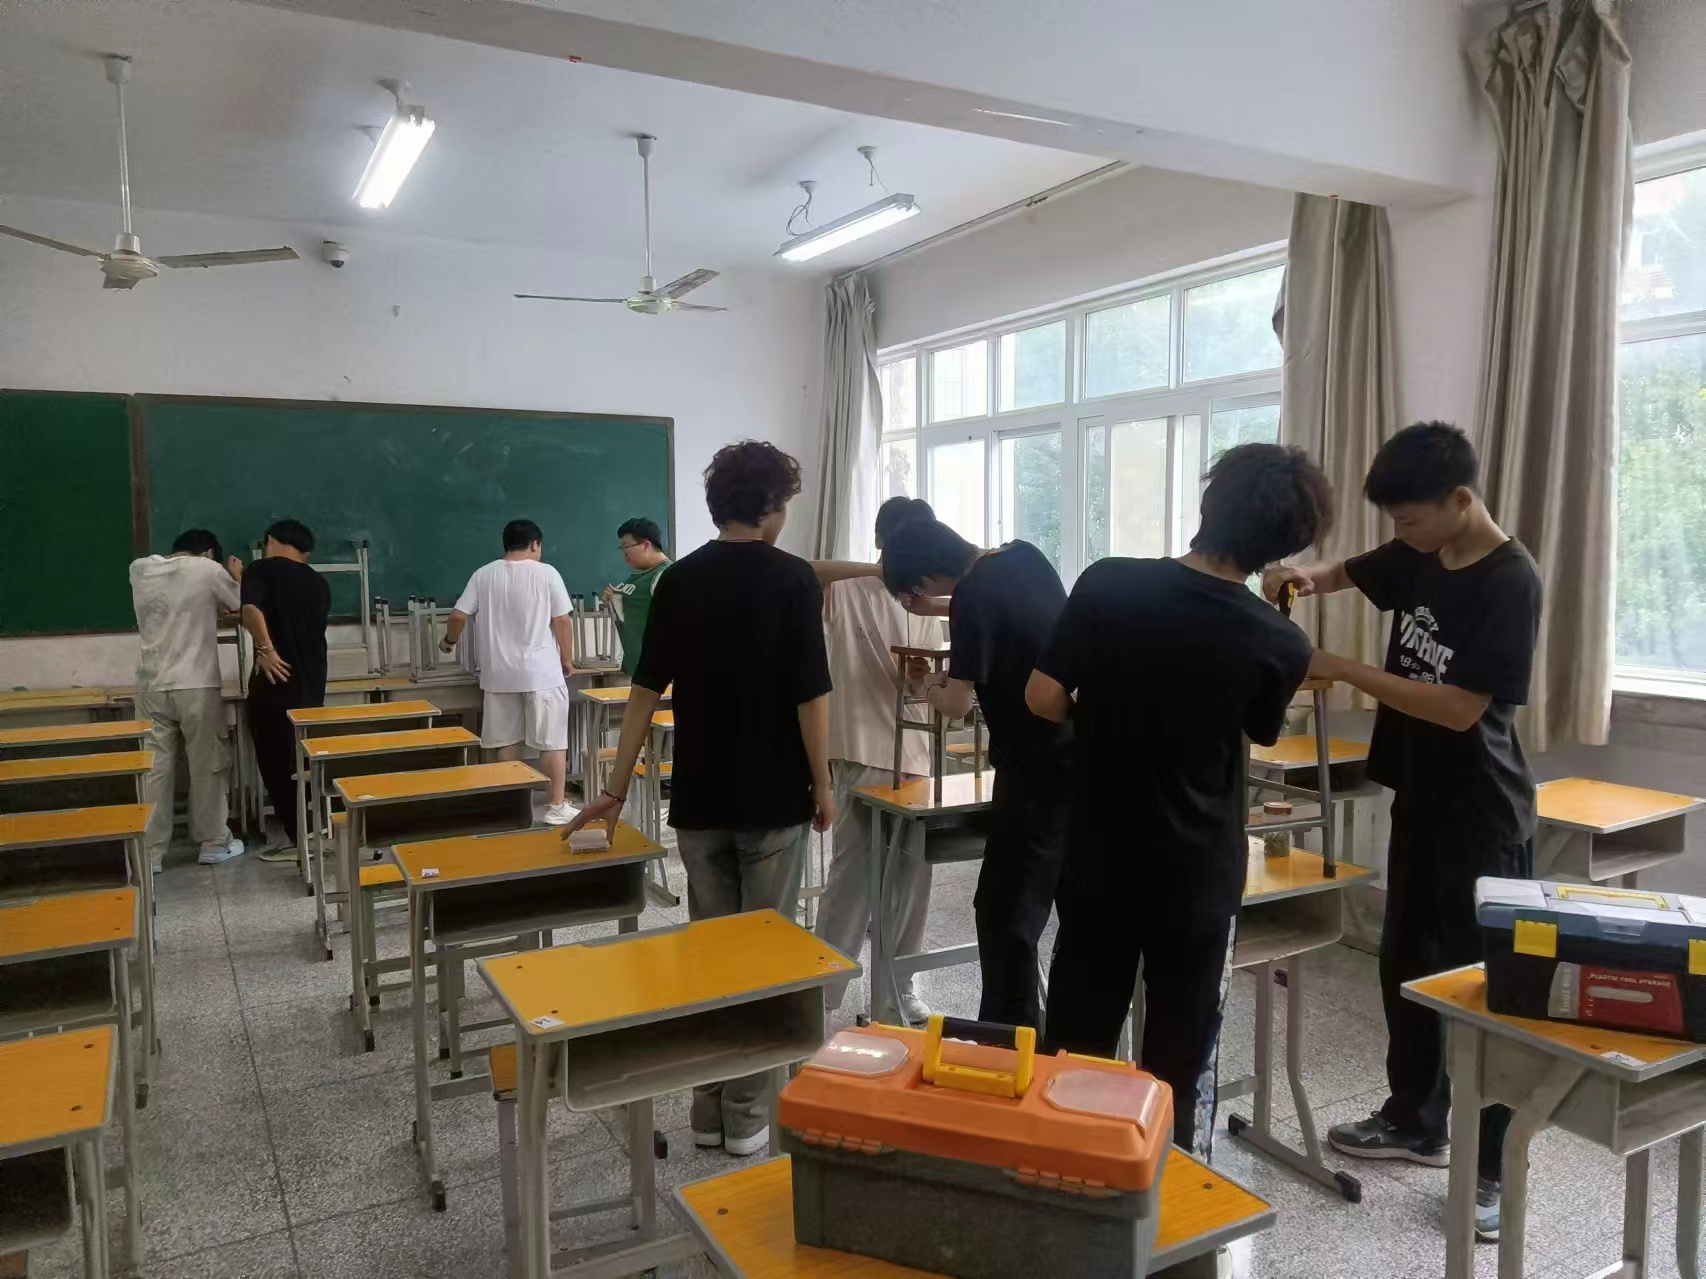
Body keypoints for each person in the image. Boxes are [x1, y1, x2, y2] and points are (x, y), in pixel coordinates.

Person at [1264, 421, 1541, 1243]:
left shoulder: (1509, 579)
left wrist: (1341, 667)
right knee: (1407, 966)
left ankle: (1494, 1171)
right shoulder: (1422, 549)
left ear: (1460, 499)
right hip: (1419, 797)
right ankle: (1415, 1119)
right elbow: (1344, 571)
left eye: (1410, 518)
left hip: (1484, 817)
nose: (1401, 533)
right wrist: (1301, 577)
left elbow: (1460, 708)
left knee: (1482, 994)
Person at [1028, 443, 1331, 1160]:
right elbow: (1259, 729)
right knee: (1180, 1055)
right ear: (1283, 545)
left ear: (1207, 504)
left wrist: (1105, 715)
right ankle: (1170, 1194)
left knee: (1076, 1036)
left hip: (1100, 856)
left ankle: (1062, 1175)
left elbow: (1042, 696)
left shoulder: (1107, 582)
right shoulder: (1281, 640)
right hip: (1197, 872)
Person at [567, 440, 833, 1157]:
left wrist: (615, 788)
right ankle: (747, 1113)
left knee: (712, 954)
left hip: (700, 795)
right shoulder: (793, 578)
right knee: (766, 957)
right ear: (771, 507)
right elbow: (811, 695)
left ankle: (707, 1107)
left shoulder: (677, 580)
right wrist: (824, 783)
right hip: (774, 794)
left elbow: (643, 691)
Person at [879, 520, 1068, 1032]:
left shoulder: (971, 597)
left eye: (914, 590)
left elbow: (958, 706)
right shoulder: (1024, 554)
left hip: (1033, 770)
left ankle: (1007, 1041)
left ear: (924, 575)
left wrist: (928, 687)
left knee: (1004, 913)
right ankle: (1067, 1041)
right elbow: (1011, 626)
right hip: (1082, 758)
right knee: (1072, 909)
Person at [811, 496, 948, 1026]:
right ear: (881, 542)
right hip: (861, 748)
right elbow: (805, 571)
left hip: (915, 754)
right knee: (854, 874)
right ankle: (824, 991)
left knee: (912, 876)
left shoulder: (926, 602)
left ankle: (899, 987)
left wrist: (922, 681)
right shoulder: (848, 588)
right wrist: (882, 569)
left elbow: (926, 688)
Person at [442, 519, 576, 823]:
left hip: (498, 674)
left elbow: (458, 616)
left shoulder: (483, 574)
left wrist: (449, 641)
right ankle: (555, 807)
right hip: (541, 673)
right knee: (552, 742)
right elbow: (562, 620)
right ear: (535, 544)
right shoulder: (547, 573)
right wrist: (567, 659)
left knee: (506, 742)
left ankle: (513, 809)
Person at [129, 529, 247, 871]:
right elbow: (240, 604)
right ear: (208, 552)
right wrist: (236, 576)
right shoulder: (207, 569)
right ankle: (214, 842)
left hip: (151, 685)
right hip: (196, 683)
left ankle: (150, 855)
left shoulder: (140, 569)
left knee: (154, 769)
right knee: (208, 763)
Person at [240, 519, 331, 861]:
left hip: (276, 679)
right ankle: (313, 831)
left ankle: (297, 840)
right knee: (303, 760)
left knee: (275, 760)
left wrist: (266, 649)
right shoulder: (319, 582)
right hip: (312, 682)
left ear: (270, 541)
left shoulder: (260, 569)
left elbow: (251, 610)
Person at [603, 517, 670, 679]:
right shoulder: (637, 577)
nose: (623, 553)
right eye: (621, 547)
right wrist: (612, 601)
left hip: (659, 676)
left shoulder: (666, 575)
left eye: (626, 546)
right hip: (637, 671)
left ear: (646, 545)